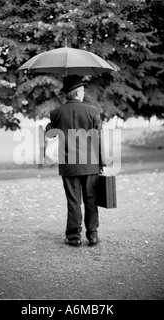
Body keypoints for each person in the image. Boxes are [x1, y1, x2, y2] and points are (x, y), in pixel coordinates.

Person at [45, 75, 106, 247]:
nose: (84, 92)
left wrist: (51, 126)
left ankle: (74, 237)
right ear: (78, 93)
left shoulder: (56, 113)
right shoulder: (92, 111)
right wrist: (102, 163)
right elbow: (98, 140)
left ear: (67, 94)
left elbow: (50, 134)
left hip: (69, 165)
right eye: (83, 90)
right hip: (90, 164)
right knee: (91, 201)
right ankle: (93, 235)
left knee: (73, 202)